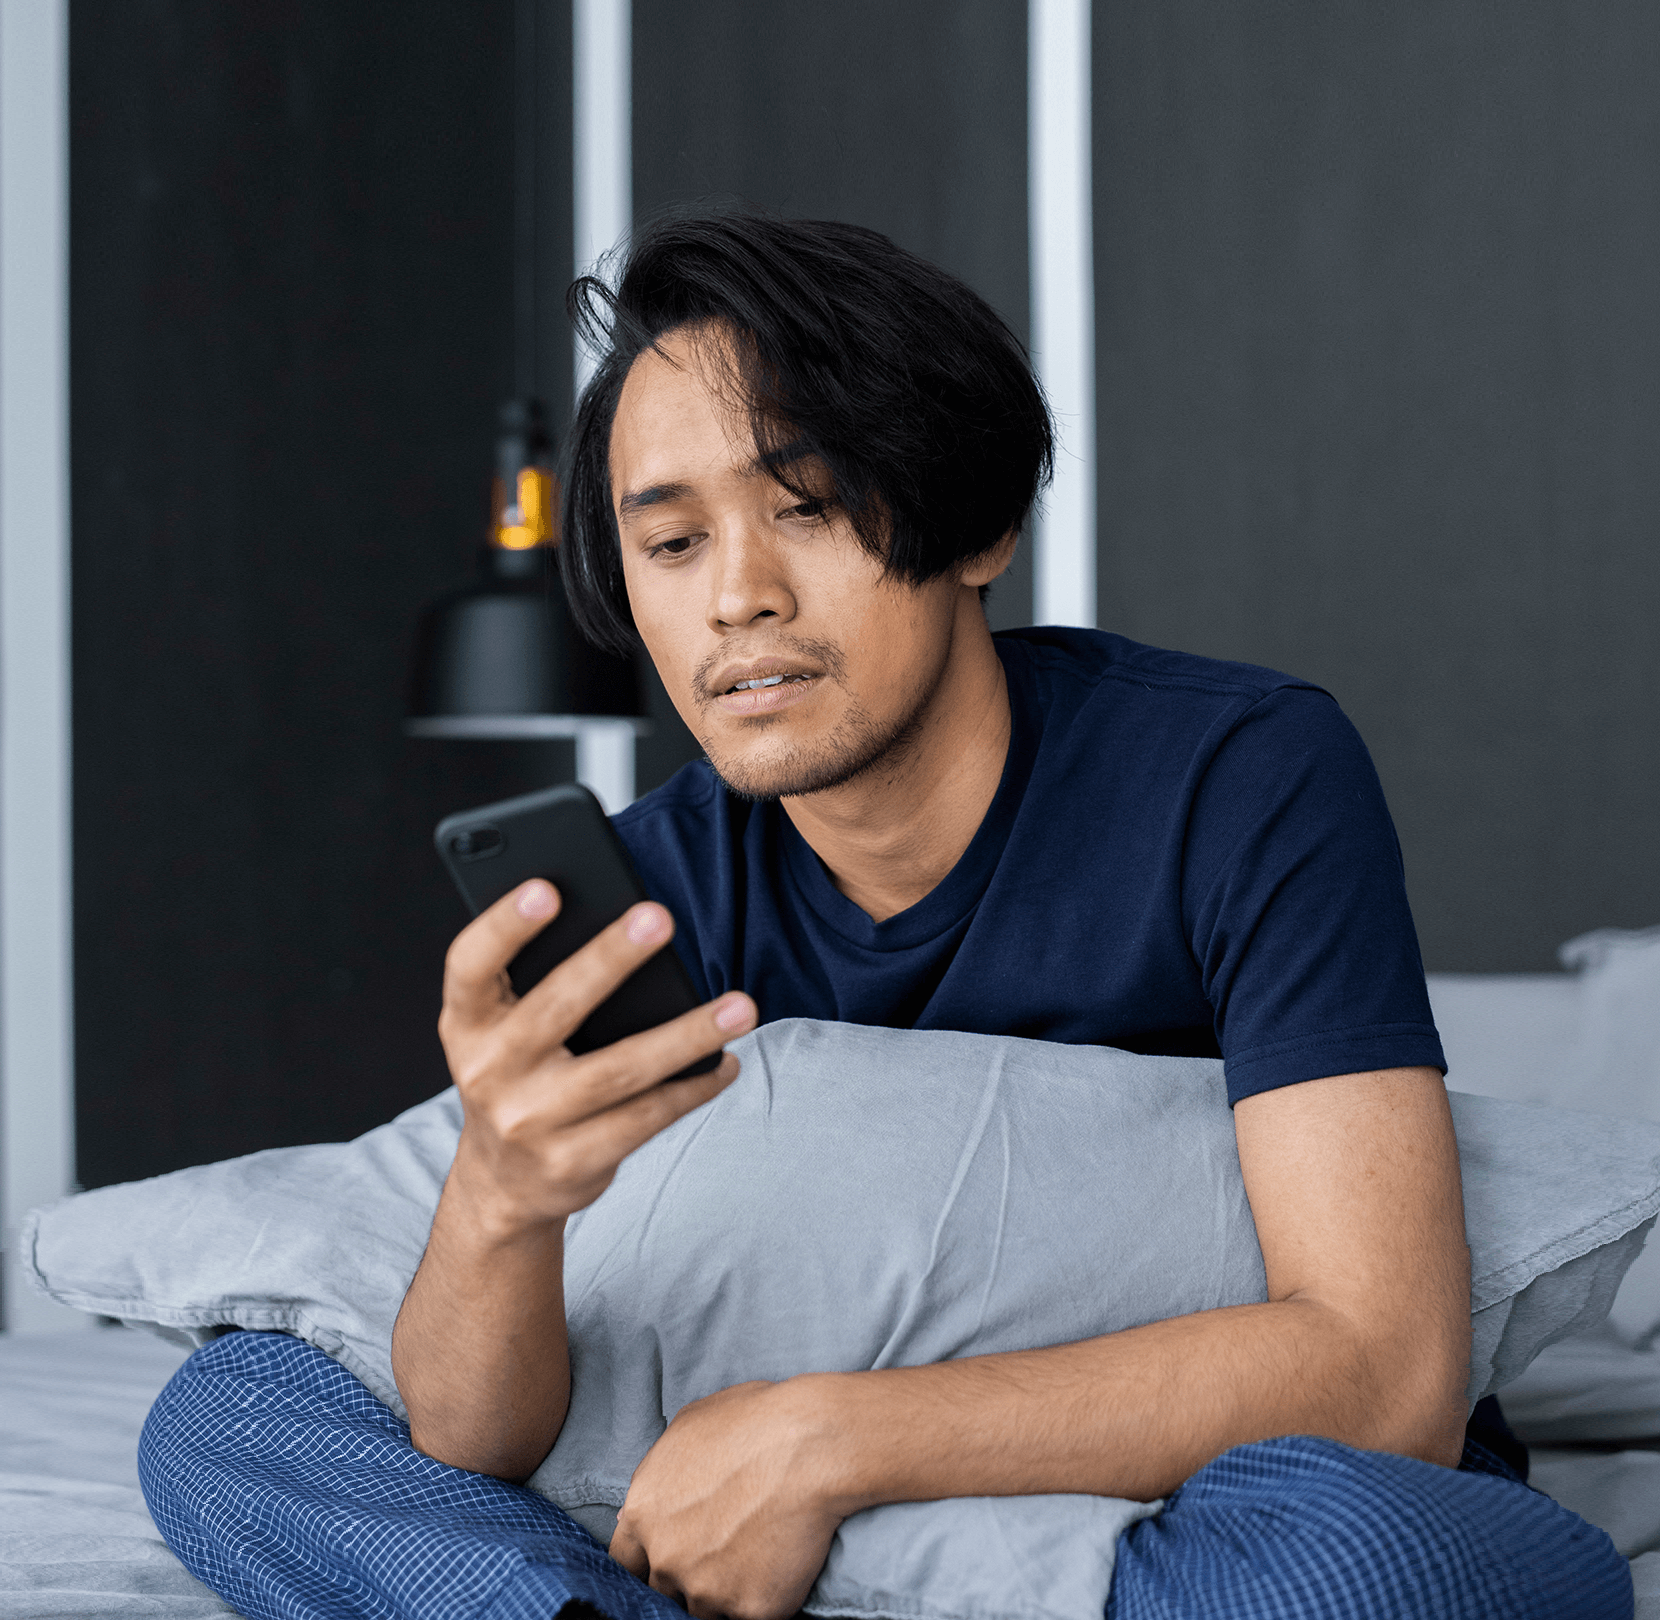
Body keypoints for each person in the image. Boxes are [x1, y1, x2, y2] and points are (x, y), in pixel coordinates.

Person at [141, 210, 1629, 1620]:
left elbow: (1386, 1374)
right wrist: (501, 1197)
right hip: (732, 1506)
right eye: (672, 546)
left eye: (808, 508)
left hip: (1158, 1503)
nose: (740, 597)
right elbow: (477, 1440)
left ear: (974, 527)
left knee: (1402, 1563)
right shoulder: (649, 889)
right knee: (230, 1413)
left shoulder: (1238, 776)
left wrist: (829, 1441)